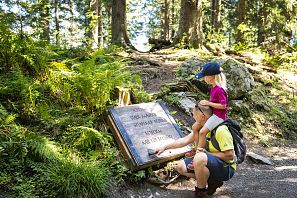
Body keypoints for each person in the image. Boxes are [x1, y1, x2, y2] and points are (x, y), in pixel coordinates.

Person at [156, 104, 236, 198]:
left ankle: (200, 192)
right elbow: (184, 141)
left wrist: (208, 154)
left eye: (194, 114)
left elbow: (230, 155)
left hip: (226, 168)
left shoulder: (221, 130)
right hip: (208, 161)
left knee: (199, 157)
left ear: (202, 117)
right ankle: (212, 181)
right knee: (180, 167)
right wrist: (164, 147)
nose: (193, 116)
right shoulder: (201, 128)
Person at [185, 61, 228, 170]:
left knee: (203, 132)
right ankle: (196, 148)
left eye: (205, 76)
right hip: (213, 114)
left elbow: (223, 106)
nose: (204, 79)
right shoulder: (213, 88)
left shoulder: (219, 89)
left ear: (212, 77)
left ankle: (198, 157)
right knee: (195, 127)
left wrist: (208, 103)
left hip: (219, 116)